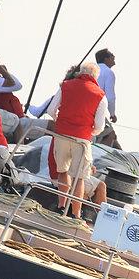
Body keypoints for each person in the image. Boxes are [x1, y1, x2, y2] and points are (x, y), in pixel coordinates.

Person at [46, 62, 108, 219]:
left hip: (61, 135)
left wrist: (59, 120)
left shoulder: (65, 85)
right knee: (79, 177)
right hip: (82, 139)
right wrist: (89, 131)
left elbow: (51, 109)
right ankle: (75, 213)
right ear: (96, 77)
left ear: (80, 72)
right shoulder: (100, 95)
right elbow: (100, 126)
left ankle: (61, 206)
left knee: (62, 171)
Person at [95, 48, 117, 122]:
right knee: (110, 134)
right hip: (95, 111)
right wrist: (112, 114)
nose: (114, 56)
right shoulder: (108, 72)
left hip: (83, 108)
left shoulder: (91, 70)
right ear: (106, 59)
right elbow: (110, 97)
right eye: (111, 55)